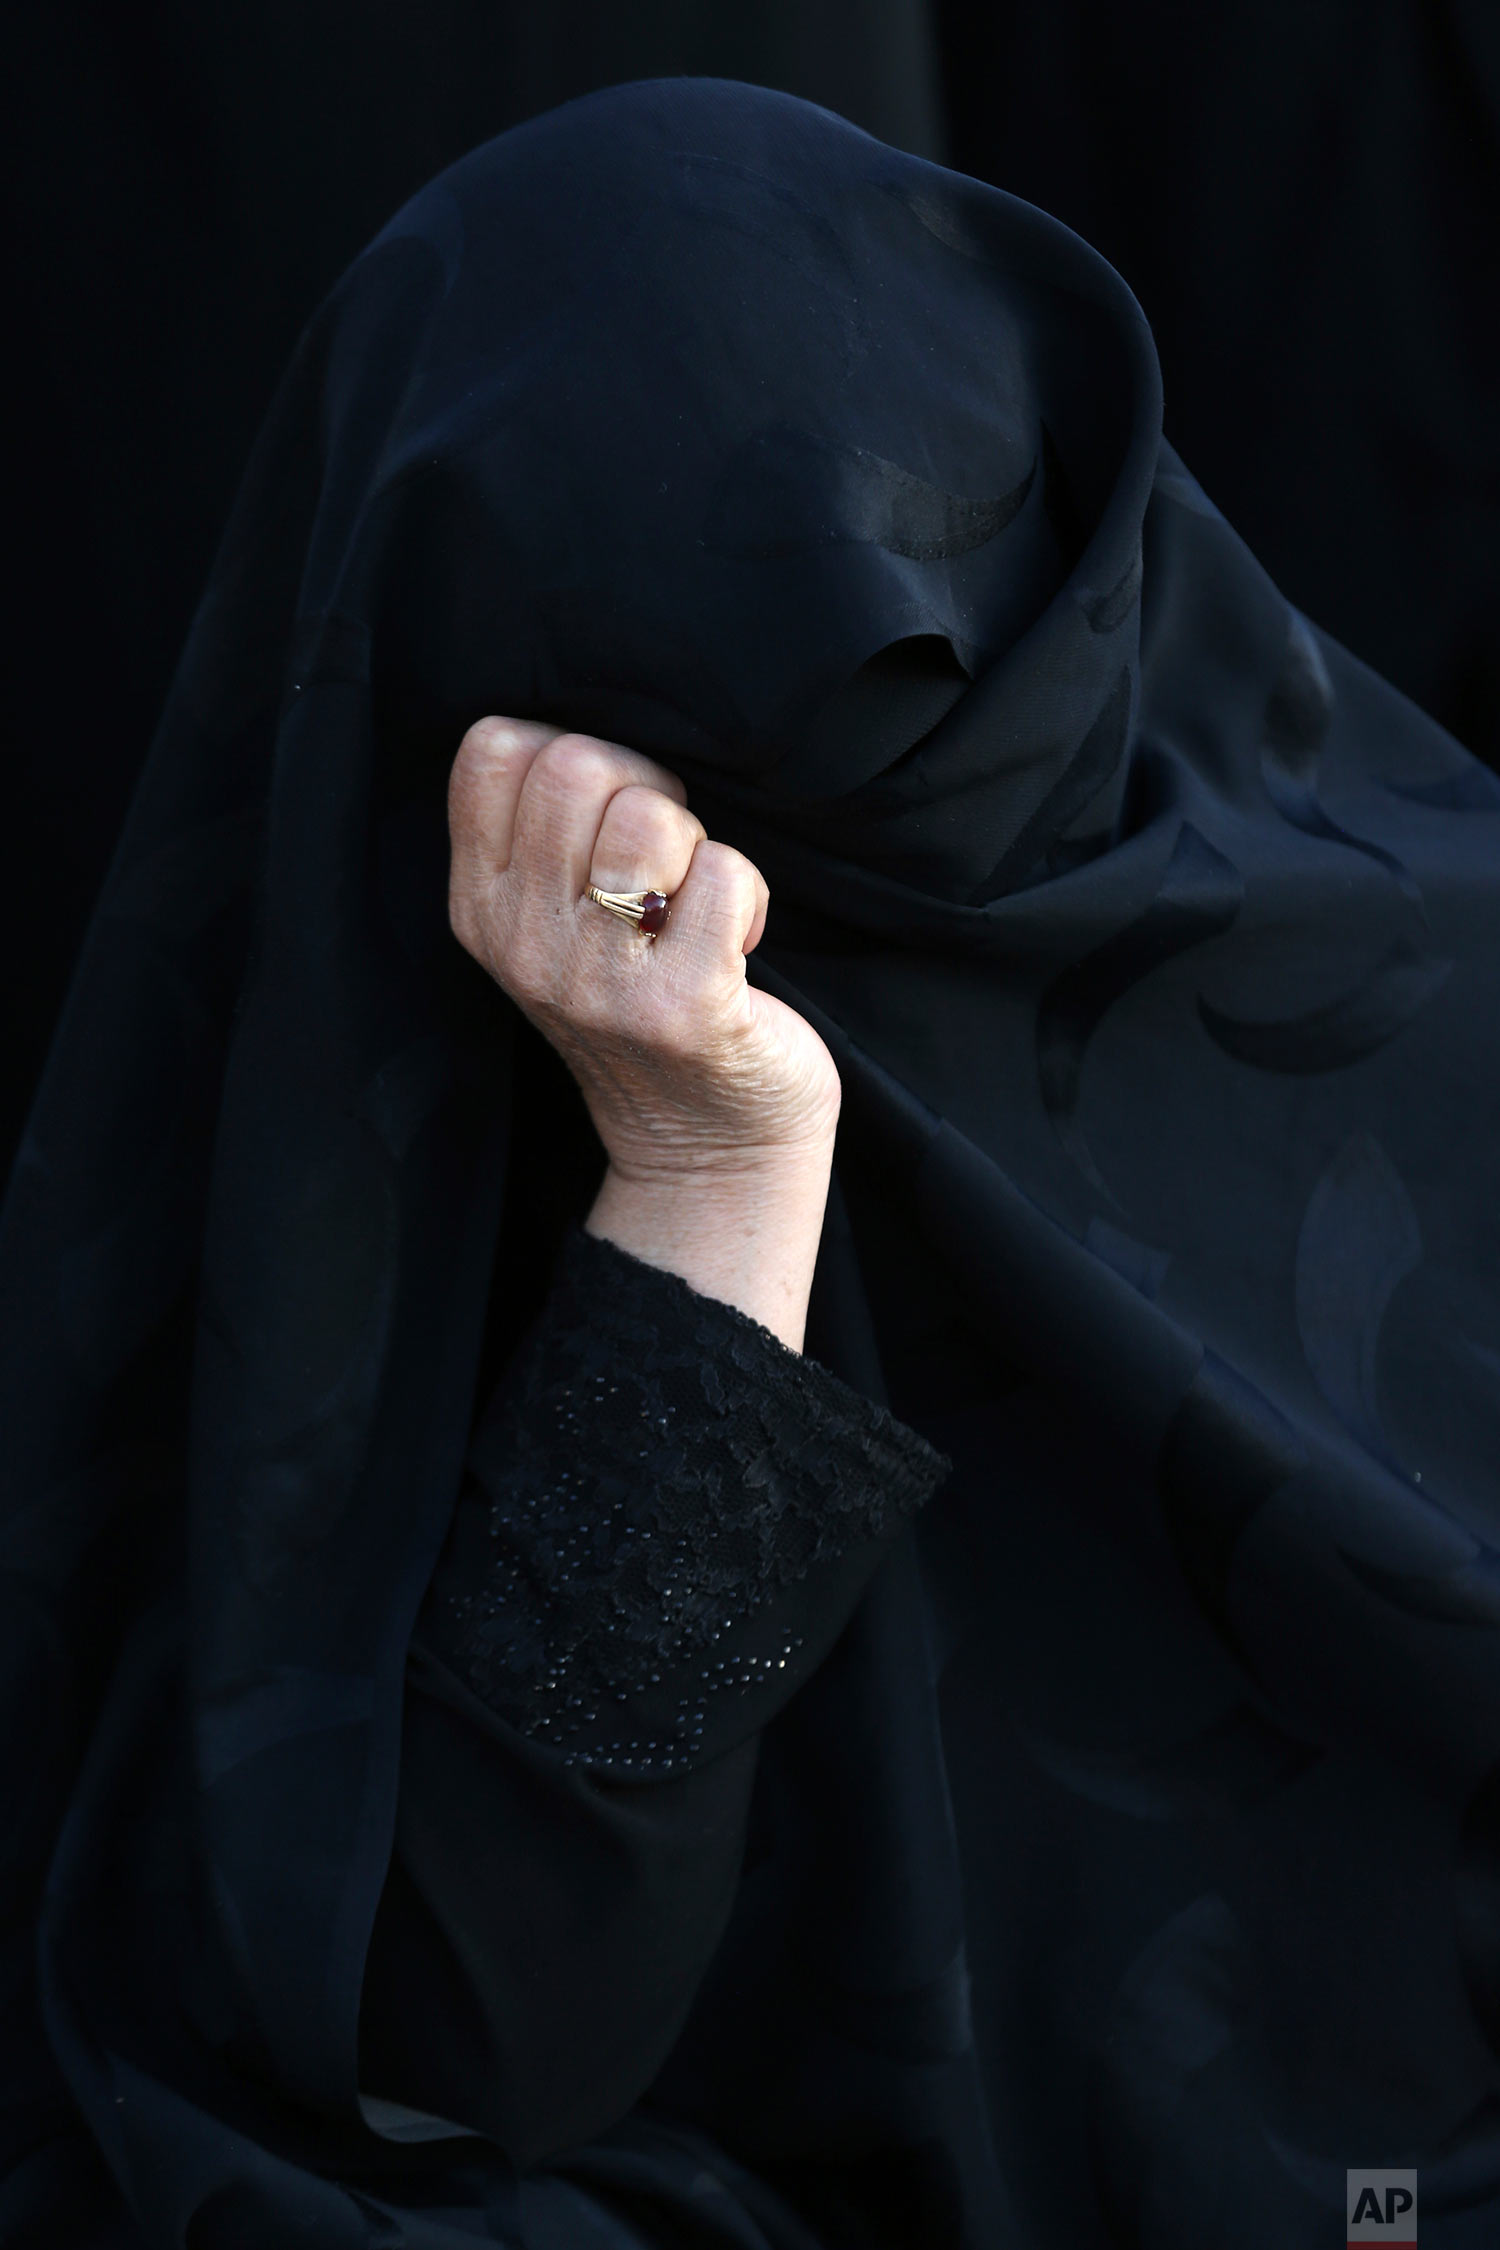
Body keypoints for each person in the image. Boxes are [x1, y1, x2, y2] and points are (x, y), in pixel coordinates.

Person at [3, 71, 1499, 2250]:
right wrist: (711, 1198)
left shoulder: (1433, 992)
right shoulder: (414, 1147)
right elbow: (458, 2057)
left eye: (924, 673)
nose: (866, 794)